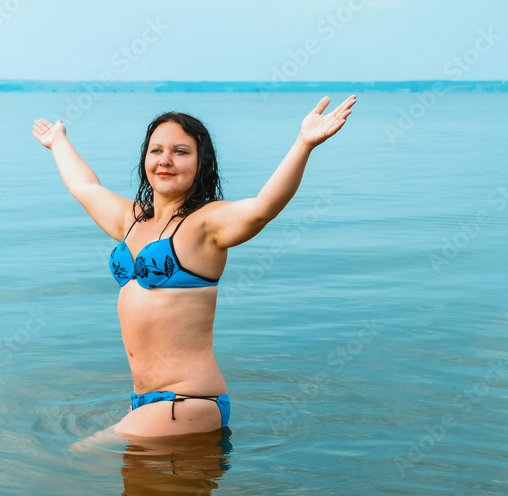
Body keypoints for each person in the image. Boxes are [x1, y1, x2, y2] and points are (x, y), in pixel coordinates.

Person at [33, 95, 356, 441]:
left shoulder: (207, 225)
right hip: (145, 402)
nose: (165, 160)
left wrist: (303, 144)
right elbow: (86, 187)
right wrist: (58, 142)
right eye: (156, 150)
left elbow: (263, 208)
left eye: (181, 152)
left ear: (202, 163)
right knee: (139, 495)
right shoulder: (132, 219)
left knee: (82, 458)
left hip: (189, 400)